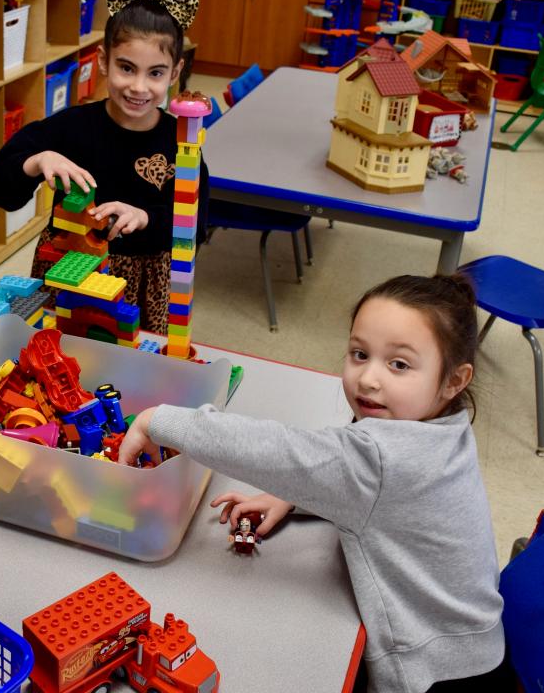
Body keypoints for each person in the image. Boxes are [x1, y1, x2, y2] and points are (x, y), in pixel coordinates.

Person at [120, 275, 511, 693]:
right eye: (360, 354)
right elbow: (373, 492)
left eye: (399, 364)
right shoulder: (443, 427)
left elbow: (279, 452)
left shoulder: (383, 457)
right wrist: (294, 495)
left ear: (454, 380)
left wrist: (158, 420)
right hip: (477, 648)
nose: (369, 379)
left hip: (432, 673)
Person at [0, 0, 209, 334]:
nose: (138, 87)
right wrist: (37, 160)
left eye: (155, 73)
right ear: (104, 62)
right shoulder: (71, 128)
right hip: (68, 276)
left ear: (175, 72)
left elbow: (196, 226)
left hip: (142, 288)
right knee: (60, 358)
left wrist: (146, 217)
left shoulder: (181, 142)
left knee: (135, 374)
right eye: (126, 68)